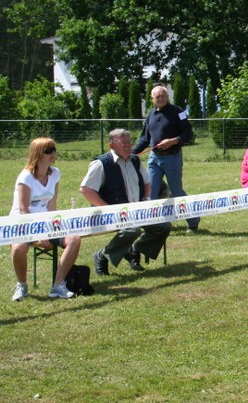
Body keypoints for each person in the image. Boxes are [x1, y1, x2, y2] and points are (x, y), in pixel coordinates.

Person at [80, 129, 171, 276]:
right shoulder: (101, 163)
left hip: (136, 211)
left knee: (164, 226)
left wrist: (147, 199)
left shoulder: (135, 160)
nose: (128, 145)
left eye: (130, 142)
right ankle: (102, 256)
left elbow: (147, 183)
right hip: (109, 214)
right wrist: (107, 208)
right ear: (112, 145)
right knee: (133, 229)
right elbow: (85, 189)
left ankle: (133, 251)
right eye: (123, 143)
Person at [9, 138, 82, 301]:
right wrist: (39, 235)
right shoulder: (26, 177)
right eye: (48, 151)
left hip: (46, 221)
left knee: (74, 239)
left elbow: (51, 206)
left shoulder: (55, 173)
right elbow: (23, 210)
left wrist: (52, 228)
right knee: (18, 248)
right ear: (37, 154)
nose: (53, 153)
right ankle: (22, 286)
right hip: (22, 223)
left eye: (54, 149)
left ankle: (58, 285)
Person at [132, 85, 199, 233]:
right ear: (152, 99)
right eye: (157, 96)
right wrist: (132, 154)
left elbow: (188, 133)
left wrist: (172, 141)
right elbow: (144, 138)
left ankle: (193, 220)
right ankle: (154, 224)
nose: (161, 98)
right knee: (151, 191)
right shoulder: (150, 114)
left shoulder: (178, 112)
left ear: (167, 96)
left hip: (172, 157)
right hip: (154, 158)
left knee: (176, 191)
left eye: (163, 95)